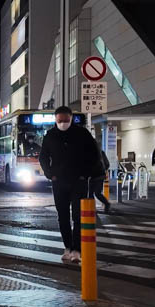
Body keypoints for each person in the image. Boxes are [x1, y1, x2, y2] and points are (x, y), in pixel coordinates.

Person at [39, 106, 105, 264]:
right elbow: (43, 157)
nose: (63, 123)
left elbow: (94, 155)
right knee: (62, 216)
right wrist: (50, 174)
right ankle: (67, 247)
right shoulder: (50, 135)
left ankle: (77, 250)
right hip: (58, 182)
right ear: (55, 120)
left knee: (77, 216)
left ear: (71, 119)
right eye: (60, 120)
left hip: (78, 181)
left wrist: (85, 174)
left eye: (66, 120)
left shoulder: (82, 134)